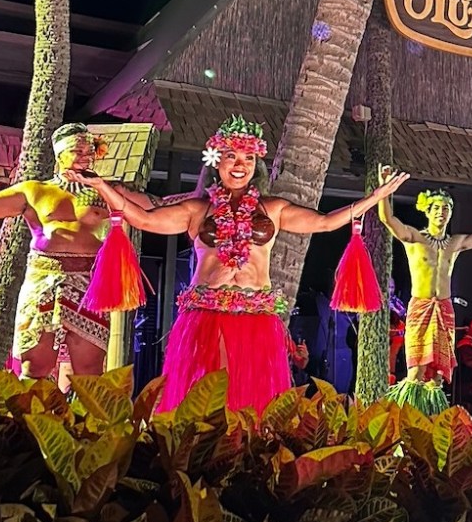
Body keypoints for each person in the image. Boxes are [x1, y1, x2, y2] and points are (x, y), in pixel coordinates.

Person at [71, 115, 406, 413]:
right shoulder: (197, 209)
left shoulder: (273, 209)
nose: (239, 164)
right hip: (206, 316)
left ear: (256, 164)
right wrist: (101, 186)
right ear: (217, 161)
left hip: (256, 319)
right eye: (231, 156)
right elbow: (142, 219)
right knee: (207, 398)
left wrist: (374, 198)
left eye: (247, 158)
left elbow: (325, 222)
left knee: (250, 405)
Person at [0, 122, 156, 390]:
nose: (85, 156)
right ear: (59, 154)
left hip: (89, 283)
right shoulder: (34, 191)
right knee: (35, 367)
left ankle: (87, 430)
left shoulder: (107, 192)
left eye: (89, 150)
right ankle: (25, 427)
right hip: (44, 280)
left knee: (90, 371)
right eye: (77, 151)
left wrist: (200, 199)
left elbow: (155, 210)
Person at [377, 169, 472, 412]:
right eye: (436, 208)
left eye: (446, 209)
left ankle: (434, 422)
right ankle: (407, 423)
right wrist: (384, 189)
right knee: (416, 371)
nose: (441, 213)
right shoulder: (414, 238)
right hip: (421, 308)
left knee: (437, 375)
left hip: (444, 310)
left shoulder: (454, 243)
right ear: (427, 211)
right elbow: (387, 219)